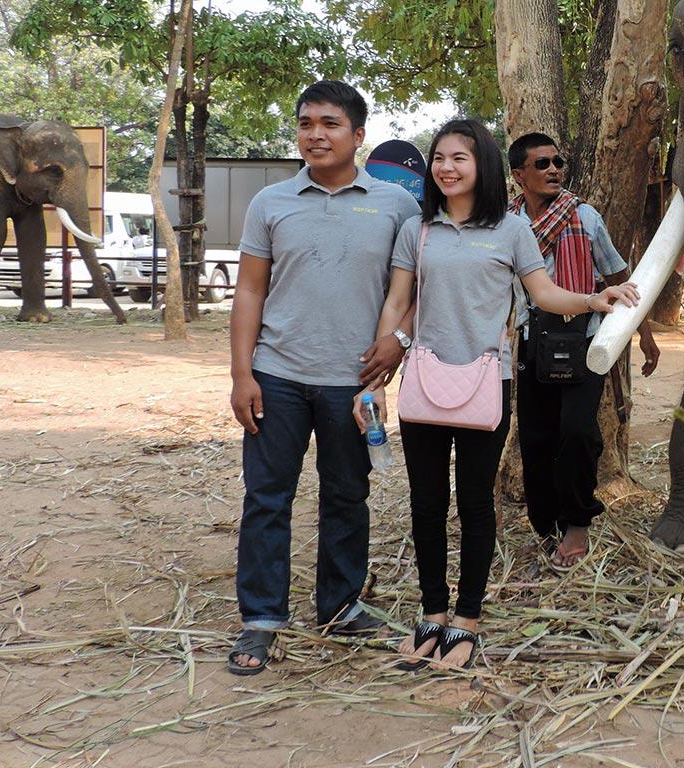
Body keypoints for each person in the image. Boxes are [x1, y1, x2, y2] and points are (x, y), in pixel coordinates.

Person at [358, 118, 638, 670]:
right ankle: (432, 613)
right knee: (426, 503)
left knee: (474, 502)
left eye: (459, 158)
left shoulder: (511, 230)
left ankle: (467, 617)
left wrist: (593, 300)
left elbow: (545, 293)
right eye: (439, 158)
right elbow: (397, 303)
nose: (446, 168)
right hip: (424, 382)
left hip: (486, 382)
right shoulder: (419, 229)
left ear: (482, 165)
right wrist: (376, 375)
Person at [227, 80, 420, 675]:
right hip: (277, 375)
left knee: (347, 495)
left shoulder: (397, 205)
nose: (316, 134)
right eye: (306, 123)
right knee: (266, 498)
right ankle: (262, 618)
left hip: (354, 383)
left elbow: (415, 290)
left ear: (358, 135)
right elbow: (250, 291)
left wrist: (398, 344)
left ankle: (340, 608)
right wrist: (241, 375)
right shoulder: (271, 203)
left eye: (330, 124)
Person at [507, 133, 659, 571]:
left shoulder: (584, 217)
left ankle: (577, 523)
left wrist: (645, 334)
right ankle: (544, 523)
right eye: (542, 164)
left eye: (558, 162)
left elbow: (619, 277)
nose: (554, 170)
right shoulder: (507, 224)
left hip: (584, 342)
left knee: (578, 432)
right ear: (519, 176)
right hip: (531, 342)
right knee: (536, 437)